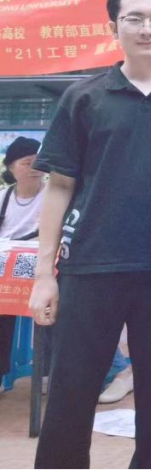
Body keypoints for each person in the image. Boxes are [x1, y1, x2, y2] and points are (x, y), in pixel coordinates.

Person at [28, 0, 151, 470]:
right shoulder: (84, 97)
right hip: (89, 265)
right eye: (135, 18)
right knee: (71, 391)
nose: (147, 28)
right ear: (114, 27)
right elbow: (59, 186)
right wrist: (45, 274)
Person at [0, 136, 45, 383]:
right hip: (5, 269)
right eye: (27, 163)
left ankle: (49, 368)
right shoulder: (3, 197)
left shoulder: (53, 196)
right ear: (11, 167)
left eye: (39, 162)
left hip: (42, 268)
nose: (34, 168)